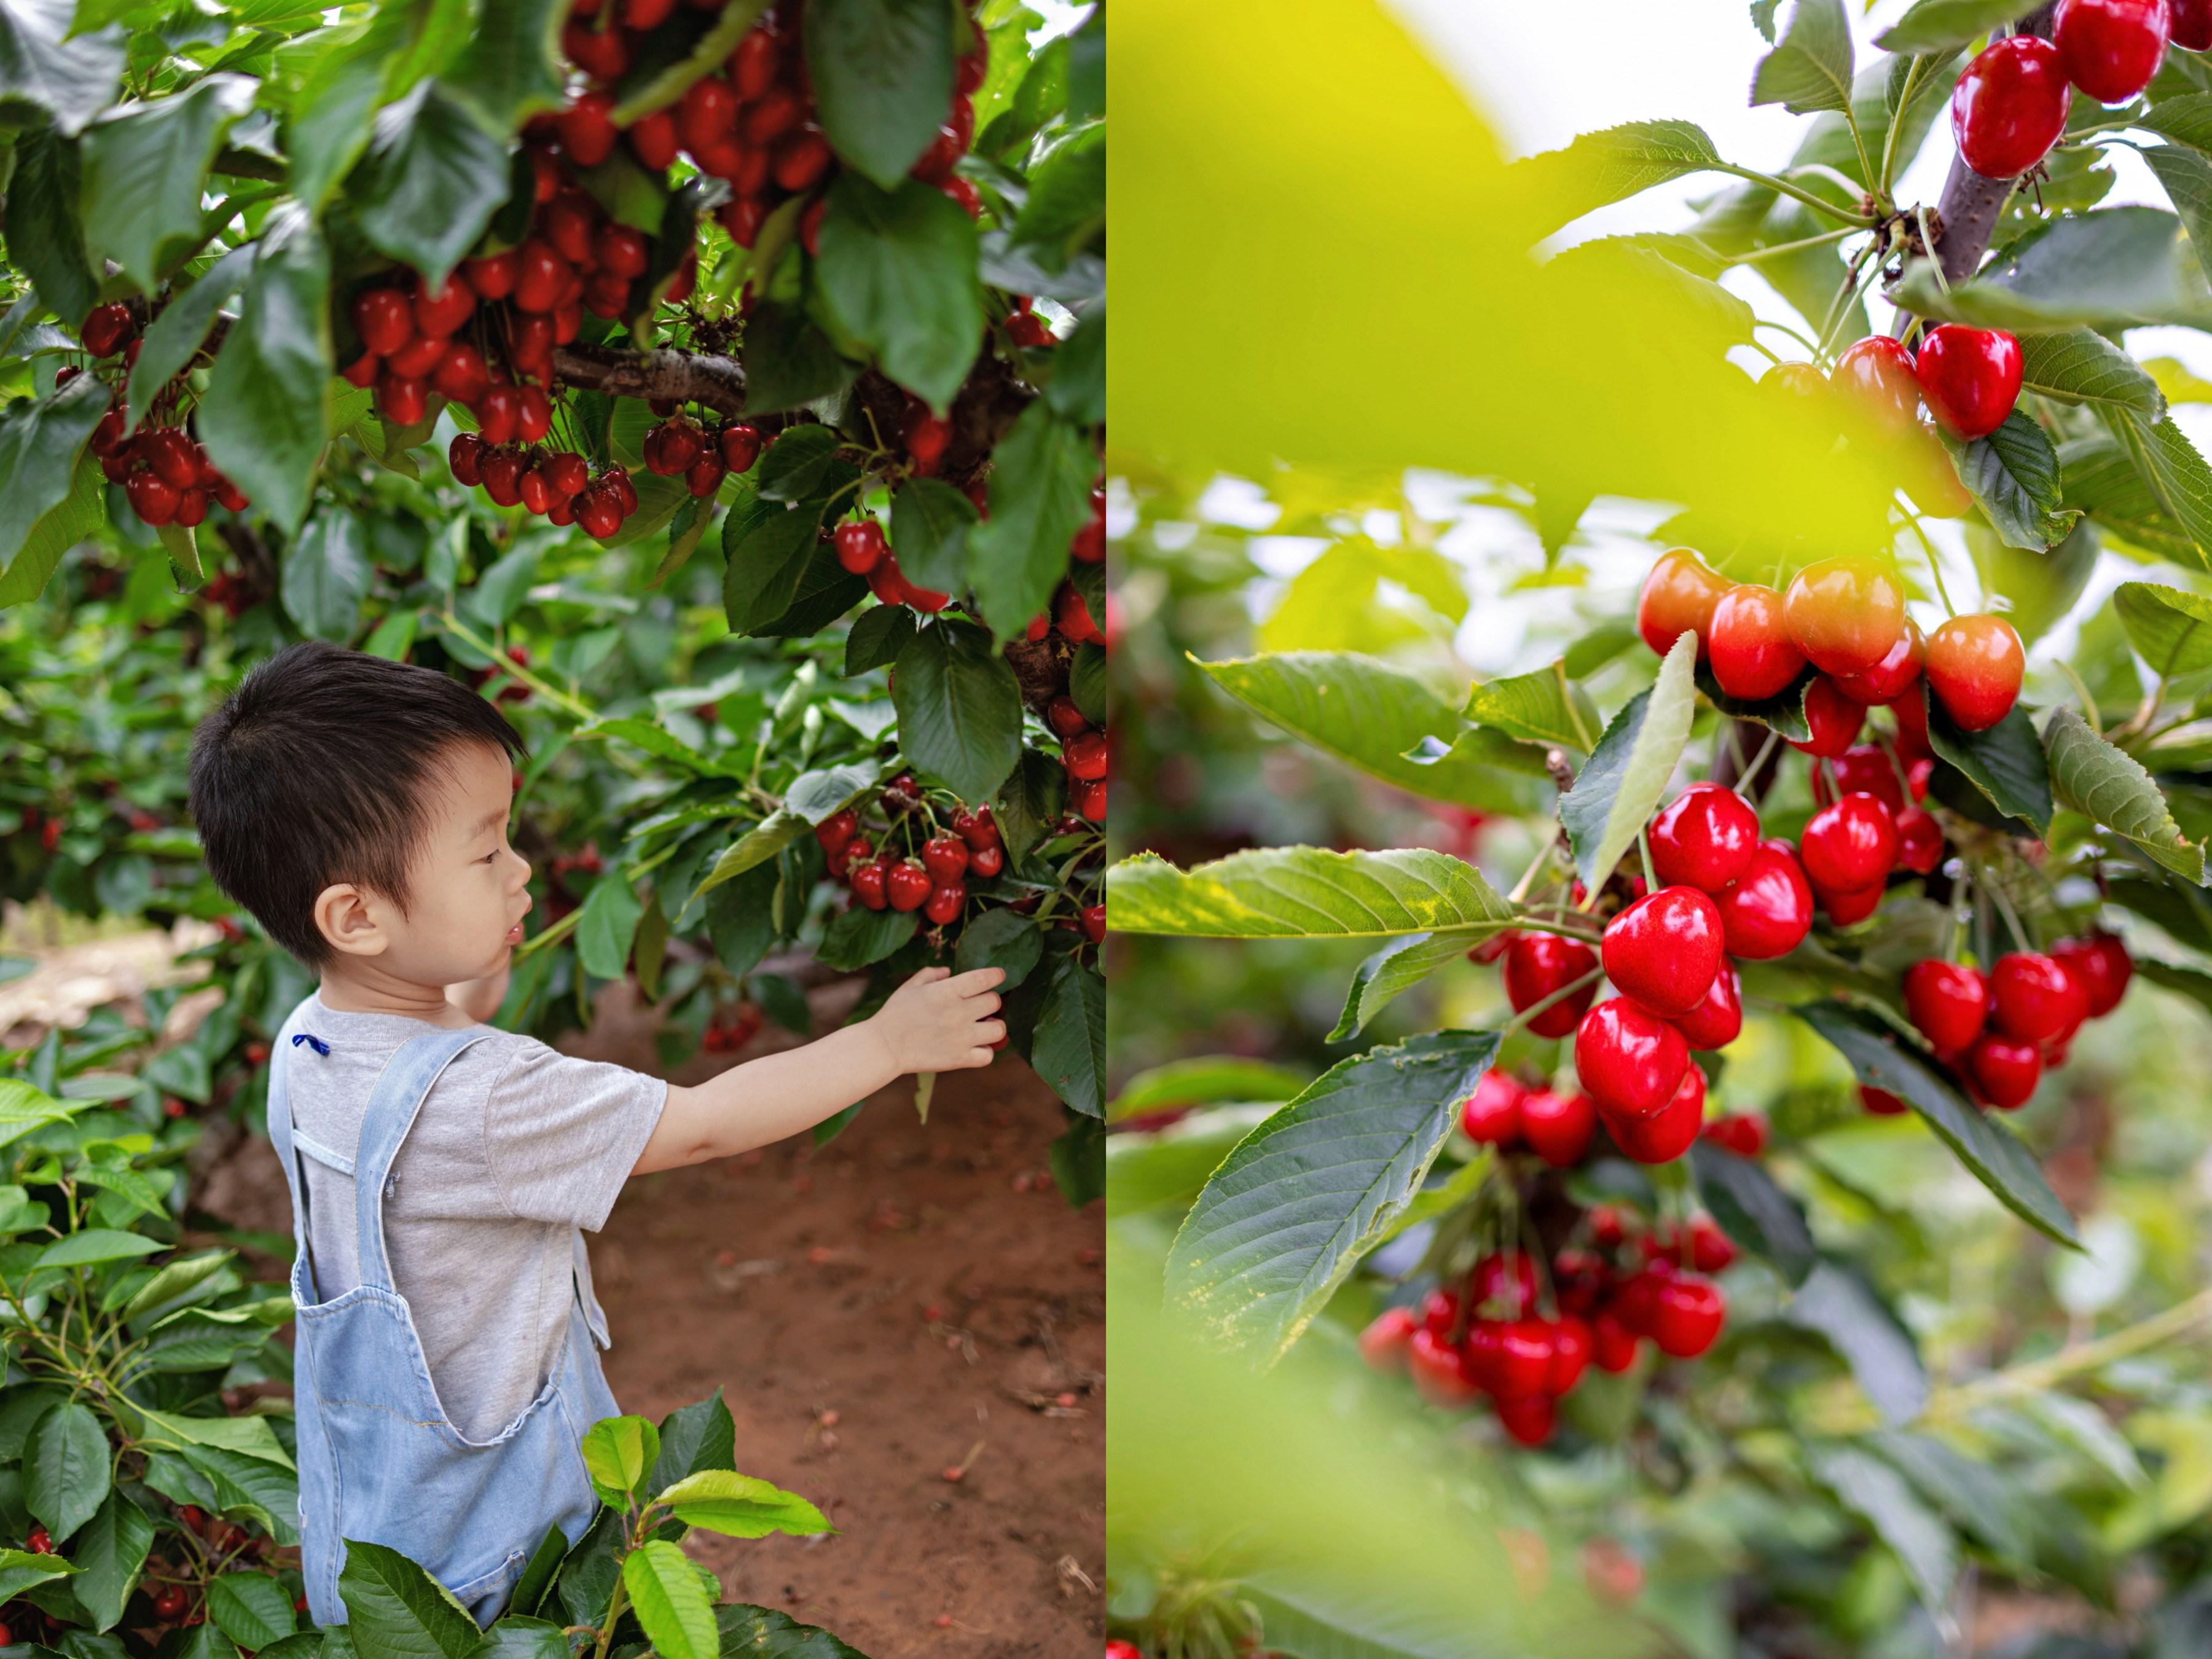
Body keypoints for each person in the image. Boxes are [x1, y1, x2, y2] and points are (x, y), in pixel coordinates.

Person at [186, 641, 1004, 1627]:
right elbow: (700, 1126)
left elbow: (424, 1066)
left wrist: (470, 968)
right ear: (357, 916)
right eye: (487, 852)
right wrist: (883, 1045)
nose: (522, 868)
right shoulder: (495, 1100)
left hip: (378, 1513)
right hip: (504, 1535)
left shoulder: (309, 1042)